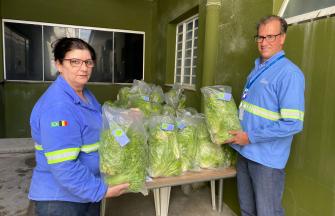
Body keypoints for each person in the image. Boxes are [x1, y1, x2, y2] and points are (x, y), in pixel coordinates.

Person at [29, 37, 129, 216]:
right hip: (61, 201)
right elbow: (64, 166)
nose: (83, 68)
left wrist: (127, 122)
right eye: (74, 62)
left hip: (86, 190)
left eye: (88, 62)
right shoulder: (59, 107)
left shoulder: (84, 94)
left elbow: (102, 122)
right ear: (59, 65)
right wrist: (102, 190)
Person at [225, 15, 305, 216]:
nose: (264, 42)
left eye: (270, 36)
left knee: (267, 212)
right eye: (260, 37)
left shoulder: (289, 74)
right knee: (247, 210)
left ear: (282, 38)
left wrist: (249, 137)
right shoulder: (257, 69)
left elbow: (293, 124)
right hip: (244, 153)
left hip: (266, 160)